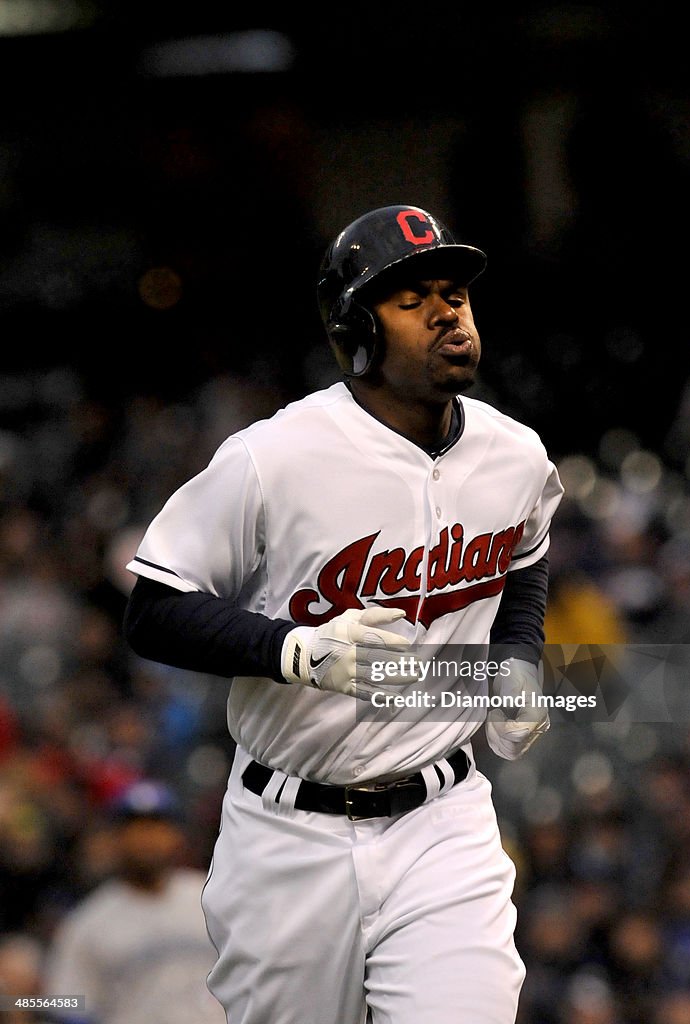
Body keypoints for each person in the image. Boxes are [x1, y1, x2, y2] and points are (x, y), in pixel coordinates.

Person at [123, 204, 564, 1024]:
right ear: (356, 331)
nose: (447, 311)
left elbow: (525, 560)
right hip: (288, 832)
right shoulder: (274, 458)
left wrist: (518, 657)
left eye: (455, 293)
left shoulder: (515, 454)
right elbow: (153, 610)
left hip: (444, 821)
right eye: (411, 299)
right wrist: (292, 651)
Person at [44, 780, 225, 1024]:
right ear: (114, 837)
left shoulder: (213, 897)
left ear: (177, 835)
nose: (147, 838)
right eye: (135, 827)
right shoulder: (88, 922)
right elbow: (68, 1006)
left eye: (157, 826)